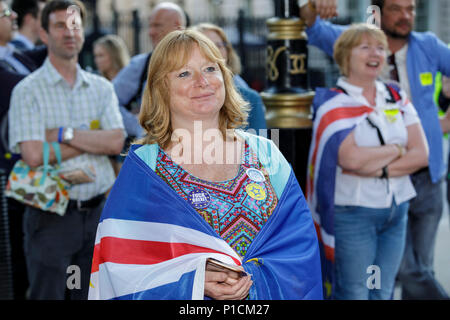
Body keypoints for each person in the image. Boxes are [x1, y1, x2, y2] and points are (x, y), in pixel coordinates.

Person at [88, 29, 323, 300]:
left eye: (210, 68)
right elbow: (121, 267)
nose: (202, 81)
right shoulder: (145, 167)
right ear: (160, 88)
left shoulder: (265, 153)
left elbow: (299, 247)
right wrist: (194, 283)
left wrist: (254, 278)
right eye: (184, 74)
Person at [300, 0, 450, 300]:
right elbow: (350, 159)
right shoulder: (337, 92)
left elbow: (421, 153)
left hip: (411, 193)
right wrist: (398, 149)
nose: (376, 54)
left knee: (398, 280)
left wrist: (380, 165)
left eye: (411, 8)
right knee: (368, 285)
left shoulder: (406, 78)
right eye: (396, 8)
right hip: (357, 207)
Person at [8, 0, 125, 300]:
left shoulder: (102, 88)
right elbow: (33, 155)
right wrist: (92, 139)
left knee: (91, 295)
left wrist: (64, 135)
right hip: (50, 218)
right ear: (44, 34)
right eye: (60, 25)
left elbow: (115, 142)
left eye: (75, 25)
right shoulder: (27, 90)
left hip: (98, 212)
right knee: (49, 295)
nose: (69, 33)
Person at [113, 2, 187, 140]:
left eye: (157, 26)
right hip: (152, 151)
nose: (150, 32)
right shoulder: (141, 64)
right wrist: (139, 126)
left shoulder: (202, 63)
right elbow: (109, 100)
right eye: (150, 25)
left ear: (178, 26)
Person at [191, 23, 267, 131]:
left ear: (227, 51)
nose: (215, 51)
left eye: (219, 45)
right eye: (207, 46)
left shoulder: (251, 98)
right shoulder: (184, 96)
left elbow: (260, 146)